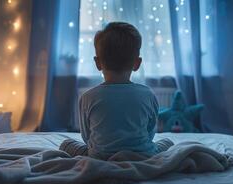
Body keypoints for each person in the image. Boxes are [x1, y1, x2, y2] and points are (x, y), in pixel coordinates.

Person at [60, 22, 173, 160]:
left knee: (66, 144)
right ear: (137, 63)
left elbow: (86, 136)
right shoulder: (148, 94)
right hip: (143, 155)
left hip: (100, 156)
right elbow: (150, 132)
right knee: (168, 142)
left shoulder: (88, 97)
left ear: (98, 63)